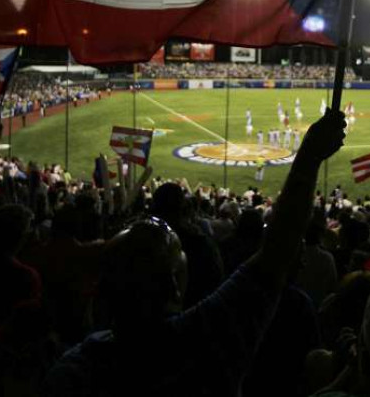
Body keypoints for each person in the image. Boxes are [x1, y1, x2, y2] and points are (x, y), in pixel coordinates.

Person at [43, 110, 346, 397]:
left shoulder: (73, 370)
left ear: (103, 293)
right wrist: (308, 157)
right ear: (175, 288)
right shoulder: (204, 339)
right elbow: (278, 250)